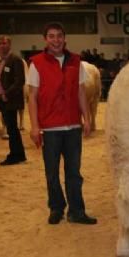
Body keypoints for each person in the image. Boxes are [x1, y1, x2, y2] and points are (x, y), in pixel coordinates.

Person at [27, 22, 97, 225]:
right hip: (50, 128)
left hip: (72, 127)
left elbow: (81, 91)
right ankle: (56, 207)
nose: (56, 40)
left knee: (74, 173)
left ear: (64, 38)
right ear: (45, 39)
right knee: (52, 172)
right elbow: (32, 97)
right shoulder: (36, 63)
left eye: (59, 36)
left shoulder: (76, 61)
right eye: (51, 36)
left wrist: (87, 118)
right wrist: (34, 126)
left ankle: (76, 211)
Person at [0, 35, 26, 165]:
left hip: (11, 100)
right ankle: (18, 154)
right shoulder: (1, 61)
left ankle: (15, 155)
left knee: (12, 129)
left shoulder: (15, 60)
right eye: (0, 44)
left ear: (9, 45)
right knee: (11, 128)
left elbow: (20, 81)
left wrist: (6, 94)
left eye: (4, 43)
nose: (2, 46)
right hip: (3, 100)